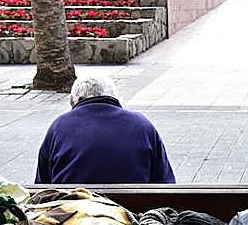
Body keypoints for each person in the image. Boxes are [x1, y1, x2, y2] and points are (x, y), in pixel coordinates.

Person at [35, 76, 175, 185]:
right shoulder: (143, 125)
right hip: (131, 215)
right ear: (115, 97)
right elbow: (164, 181)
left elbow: (42, 183)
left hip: (73, 215)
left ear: (74, 100)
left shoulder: (59, 126)